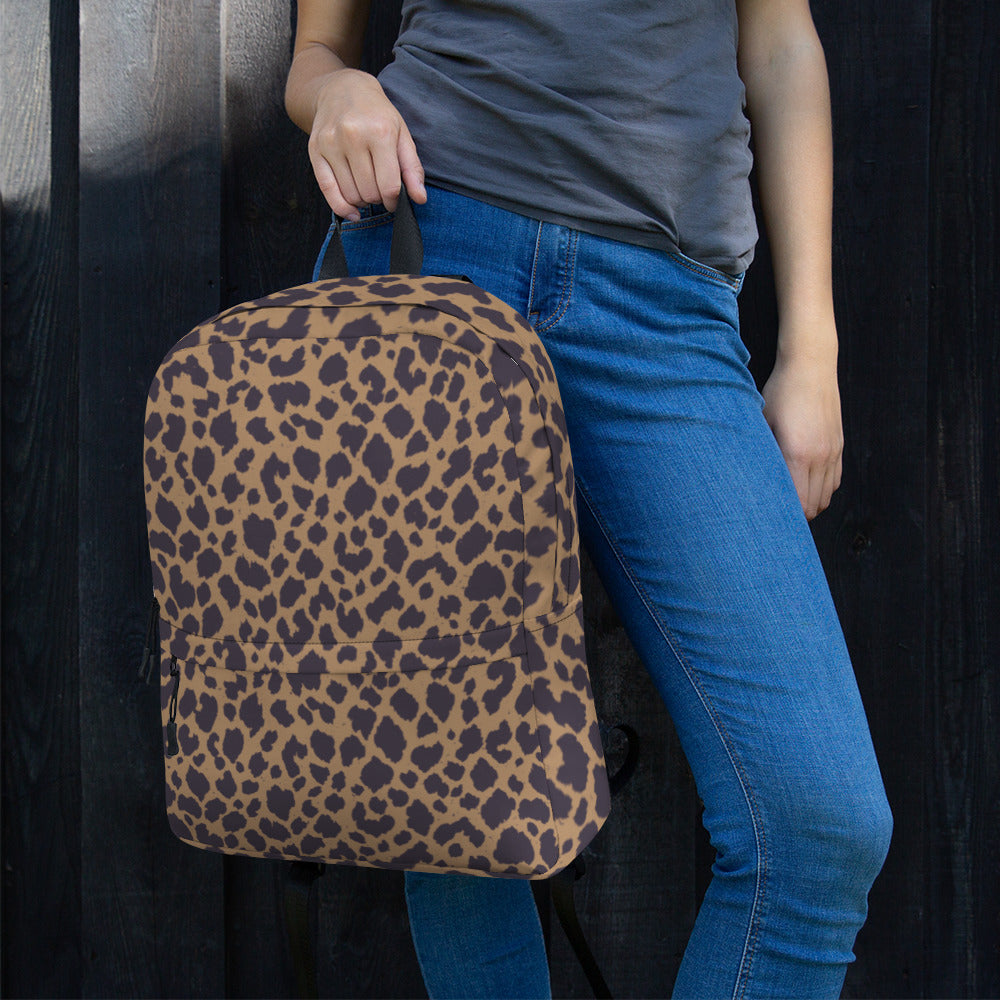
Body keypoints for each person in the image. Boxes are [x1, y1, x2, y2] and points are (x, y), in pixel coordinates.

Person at [284, 1, 893, 996]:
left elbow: (783, 41)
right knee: (455, 798)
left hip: (669, 316)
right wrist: (337, 93)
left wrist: (812, 349)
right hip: (439, 252)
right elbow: (315, 54)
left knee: (819, 824)